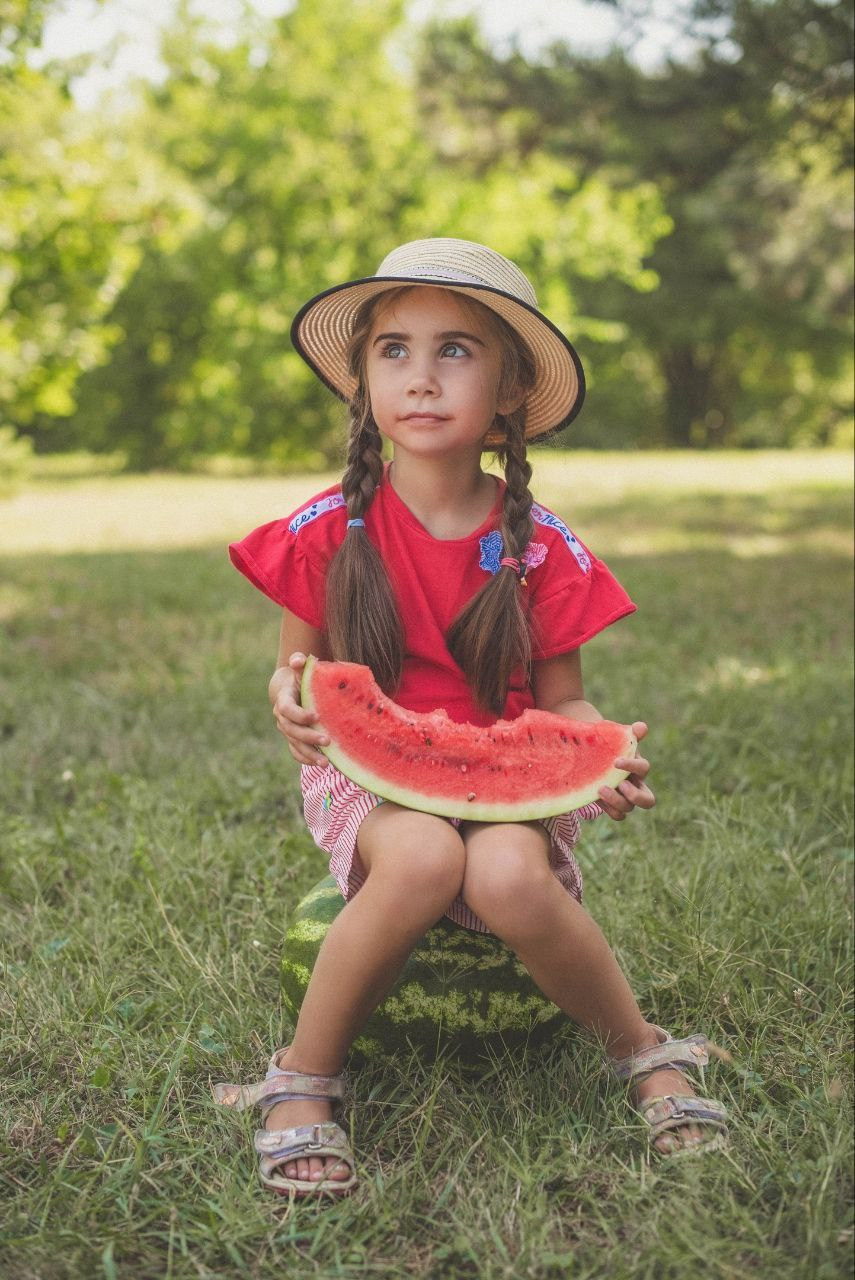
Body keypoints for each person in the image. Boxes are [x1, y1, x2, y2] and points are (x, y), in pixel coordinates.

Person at [215, 238, 728, 1198]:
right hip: (358, 774)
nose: (420, 376)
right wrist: (288, 702)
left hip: (506, 787)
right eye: (393, 351)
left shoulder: (539, 547)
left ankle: (645, 1051)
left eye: (454, 350)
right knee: (421, 856)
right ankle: (301, 1077)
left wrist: (599, 751)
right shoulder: (323, 527)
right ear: (363, 381)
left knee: (505, 873)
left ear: (506, 389)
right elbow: (300, 674)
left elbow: (563, 697)